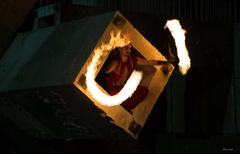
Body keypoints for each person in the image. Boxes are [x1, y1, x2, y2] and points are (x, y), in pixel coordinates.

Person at [104, 43, 168, 112]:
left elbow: (149, 62)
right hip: (114, 91)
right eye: (126, 48)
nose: (128, 50)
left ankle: (125, 109)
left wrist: (164, 63)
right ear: (120, 49)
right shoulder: (115, 62)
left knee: (143, 91)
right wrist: (108, 68)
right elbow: (106, 70)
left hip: (123, 89)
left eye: (130, 48)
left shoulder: (132, 59)